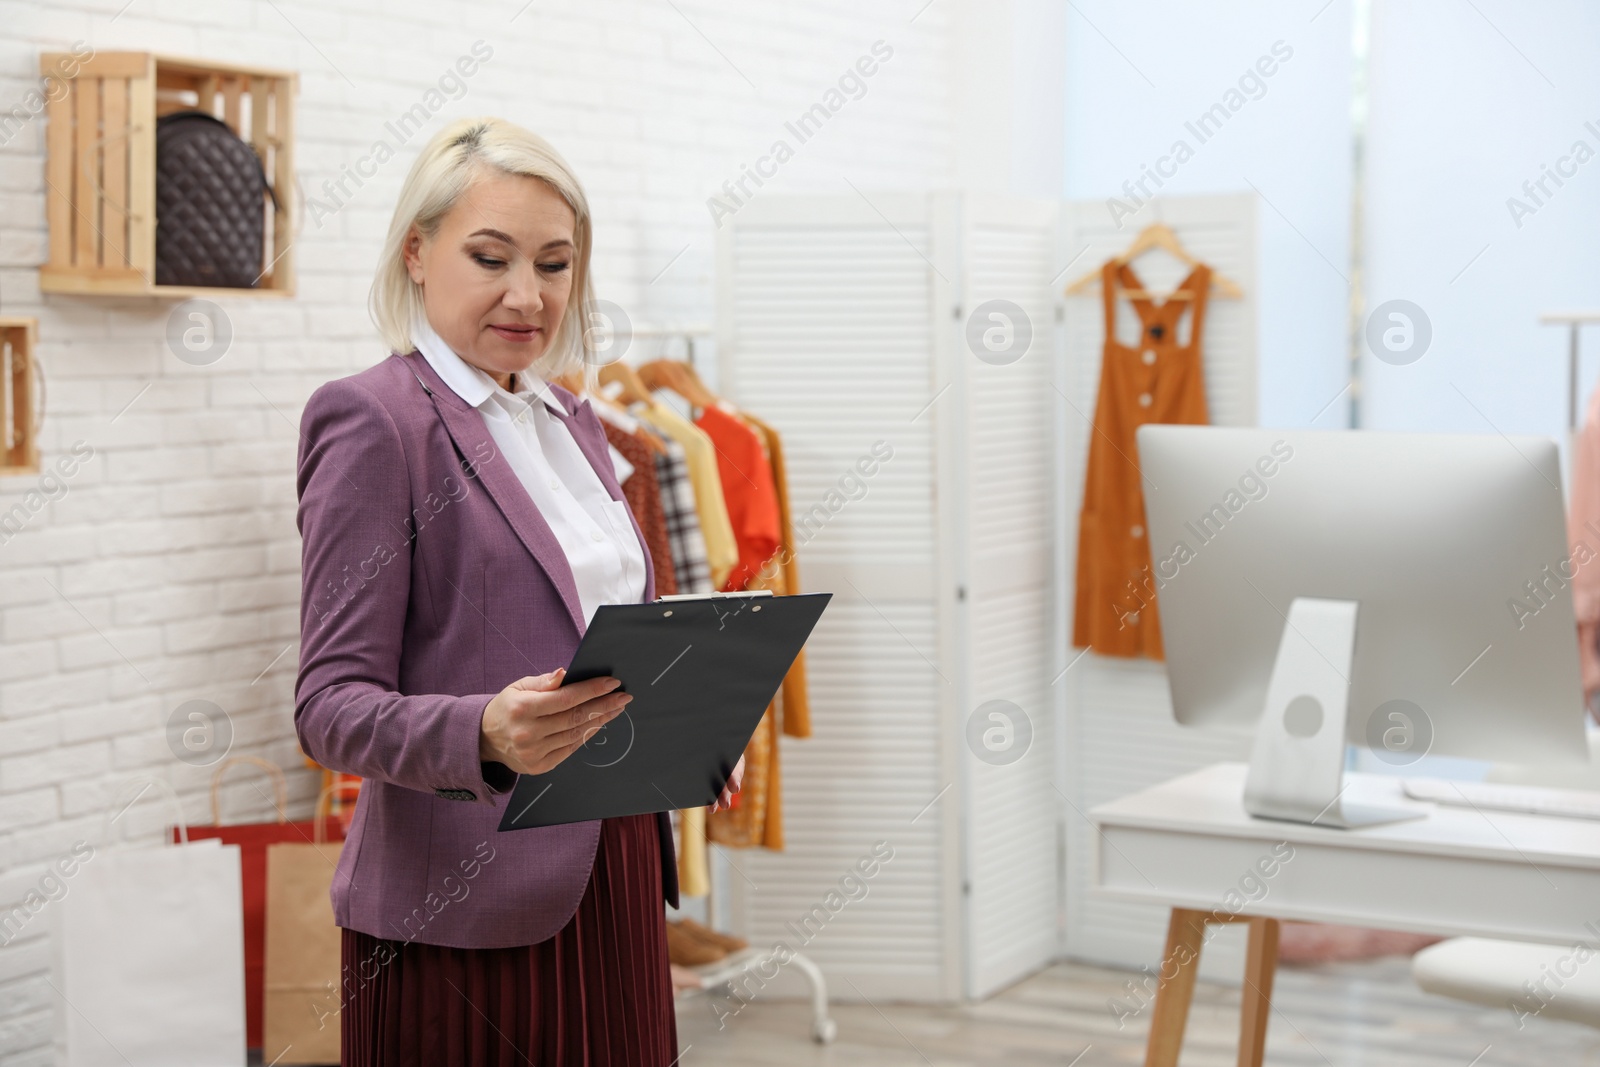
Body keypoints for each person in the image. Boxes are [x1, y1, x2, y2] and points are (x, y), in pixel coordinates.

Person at [294, 115, 742, 1066]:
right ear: (416, 253)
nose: (526, 295)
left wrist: (688, 723)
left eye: (553, 263)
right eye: (490, 257)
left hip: (611, 872)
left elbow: (595, 633)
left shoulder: (572, 420)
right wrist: (485, 733)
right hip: (462, 904)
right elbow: (329, 708)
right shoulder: (375, 422)